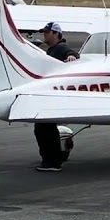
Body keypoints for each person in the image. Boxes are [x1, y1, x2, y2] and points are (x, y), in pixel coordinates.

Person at [34, 22, 77, 171]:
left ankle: (52, 162)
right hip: (51, 92)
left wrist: (71, 56)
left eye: (47, 32)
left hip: (56, 93)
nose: (44, 34)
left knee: (44, 127)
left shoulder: (61, 48)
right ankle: (52, 158)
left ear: (56, 34)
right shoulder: (51, 50)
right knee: (43, 127)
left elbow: (72, 53)